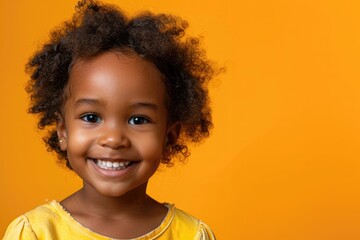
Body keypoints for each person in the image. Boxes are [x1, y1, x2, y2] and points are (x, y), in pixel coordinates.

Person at [3, 0, 217, 239]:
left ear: (169, 137)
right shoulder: (36, 233)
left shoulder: (191, 234)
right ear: (63, 132)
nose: (114, 139)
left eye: (138, 120)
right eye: (91, 117)